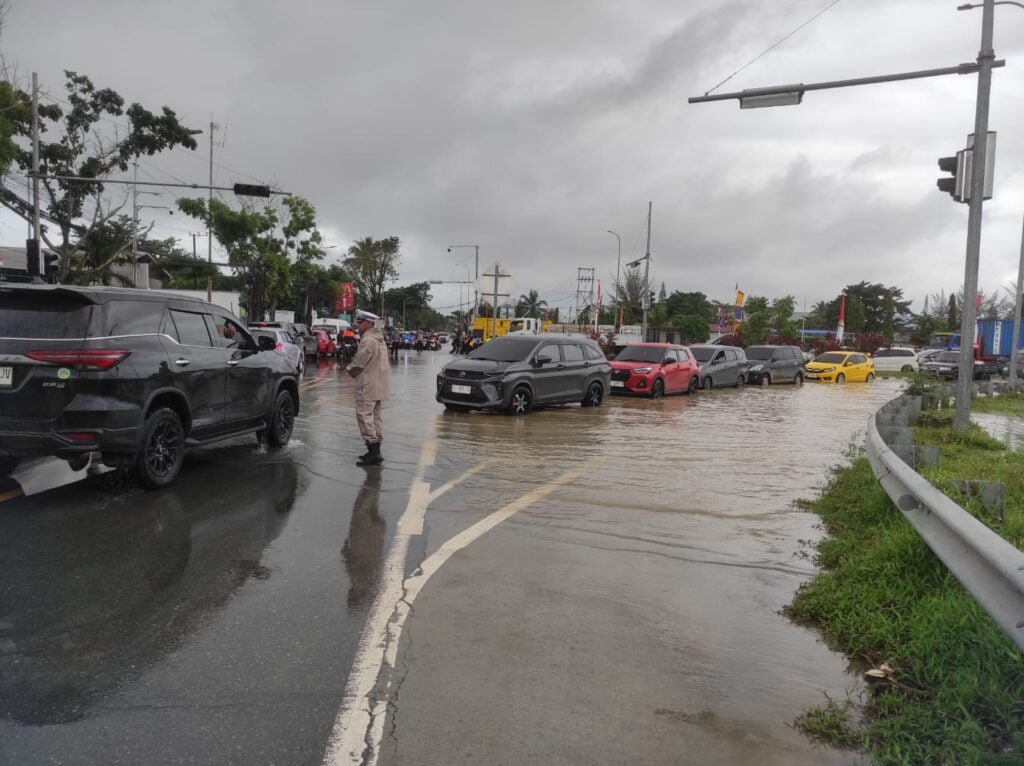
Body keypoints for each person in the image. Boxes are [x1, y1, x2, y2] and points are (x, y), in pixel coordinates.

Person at [346, 309, 390, 466]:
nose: (357, 325)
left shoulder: (368, 340)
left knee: (364, 416)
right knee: (375, 417)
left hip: (367, 385)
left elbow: (359, 363)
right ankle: (376, 449)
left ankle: (373, 451)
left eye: (360, 322)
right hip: (378, 385)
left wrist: (349, 370)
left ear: (369, 323)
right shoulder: (380, 339)